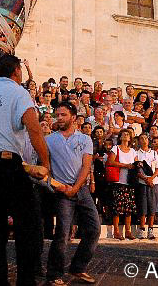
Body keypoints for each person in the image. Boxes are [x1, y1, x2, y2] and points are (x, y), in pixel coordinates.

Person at [0, 53, 50, 286]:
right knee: (27, 224)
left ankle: (0, 280)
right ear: (17, 71)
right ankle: (25, 280)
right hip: (7, 162)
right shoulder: (20, 93)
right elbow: (34, 129)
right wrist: (46, 163)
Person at [45, 102, 100, 285]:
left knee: (94, 228)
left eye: (63, 115)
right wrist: (55, 185)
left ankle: (78, 267)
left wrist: (76, 188)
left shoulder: (85, 139)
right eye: (57, 115)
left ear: (74, 117)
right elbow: (47, 166)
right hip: (61, 191)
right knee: (62, 233)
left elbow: (86, 166)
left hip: (81, 190)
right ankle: (54, 274)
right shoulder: (49, 140)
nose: (58, 118)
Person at [105, 129, 137, 240]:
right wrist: (125, 165)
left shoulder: (133, 151)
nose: (126, 135)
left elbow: (135, 164)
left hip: (129, 182)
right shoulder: (116, 148)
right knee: (117, 208)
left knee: (129, 208)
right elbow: (110, 162)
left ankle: (128, 231)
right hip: (118, 180)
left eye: (128, 134)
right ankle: (116, 231)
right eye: (124, 134)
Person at [135, 134, 158, 239]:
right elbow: (136, 169)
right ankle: (142, 229)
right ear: (139, 141)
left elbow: (157, 169)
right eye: (141, 138)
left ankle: (150, 229)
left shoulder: (154, 153)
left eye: (145, 138)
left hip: (153, 182)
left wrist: (151, 178)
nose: (144, 140)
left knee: (152, 206)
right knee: (143, 206)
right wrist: (145, 179)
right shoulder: (136, 153)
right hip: (142, 183)